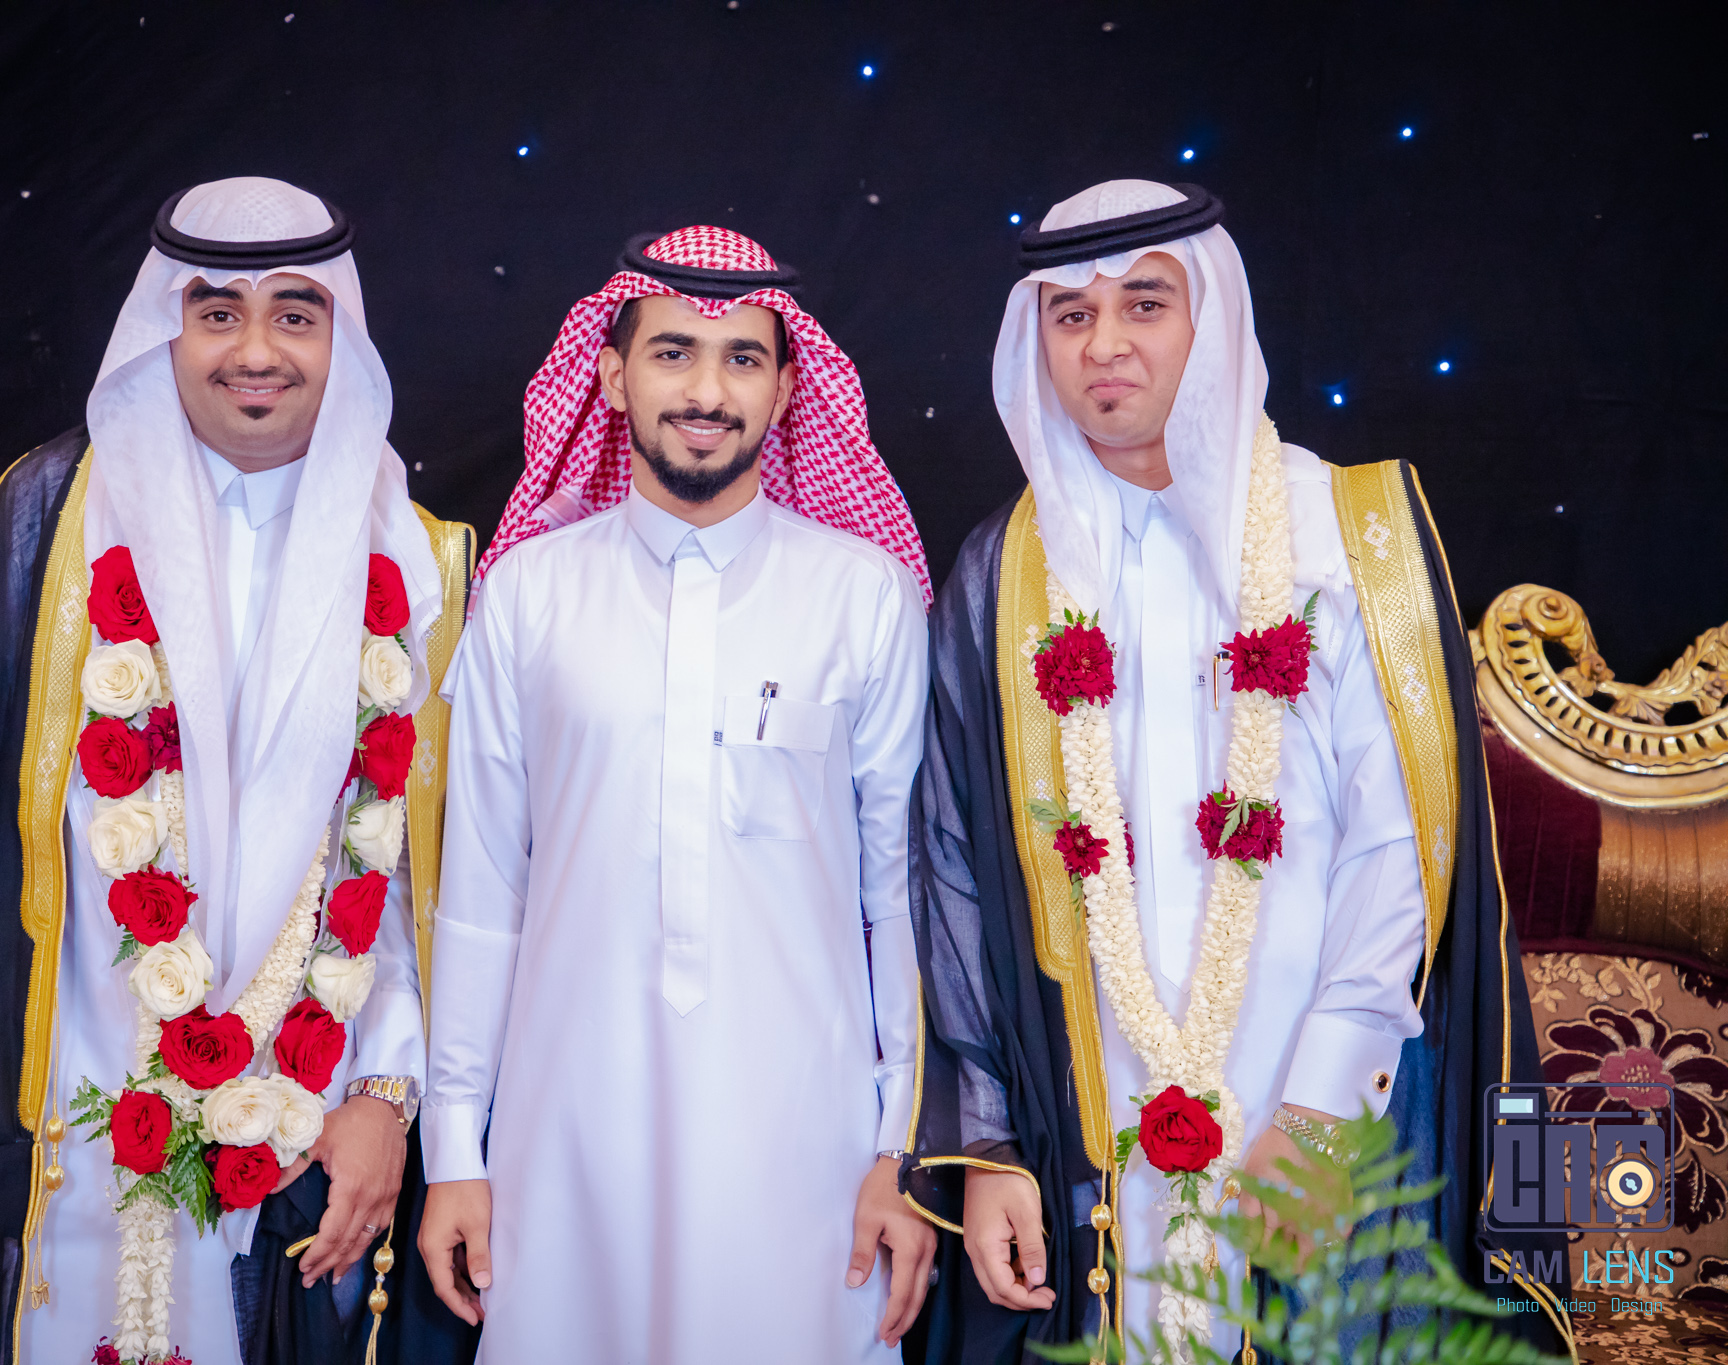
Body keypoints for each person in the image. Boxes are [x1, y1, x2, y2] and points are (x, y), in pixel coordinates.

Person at [0, 177, 479, 1365]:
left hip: (309, 1123)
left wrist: (384, 1093)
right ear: (163, 328)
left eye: (295, 315)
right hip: (67, 1099)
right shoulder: (52, 524)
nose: (255, 352)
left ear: (342, 338)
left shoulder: (418, 560)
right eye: (216, 313)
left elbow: (424, 878)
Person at [906, 181, 1564, 1360]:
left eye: (1142, 303)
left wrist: (1319, 1115)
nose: (1103, 345)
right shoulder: (1003, 575)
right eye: (1068, 314)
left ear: (1208, 314)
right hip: (1082, 1128)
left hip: (1318, 1098)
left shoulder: (1346, 535)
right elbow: (951, 871)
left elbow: (1401, 848)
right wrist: (992, 1146)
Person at [416, 226, 938, 1363]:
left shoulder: (865, 597)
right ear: (611, 377)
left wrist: (900, 1150)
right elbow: (481, 891)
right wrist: (453, 1147)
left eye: (743, 358)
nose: (707, 391)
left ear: (786, 387)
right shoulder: (528, 595)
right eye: (672, 353)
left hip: (807, 1144)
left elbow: (899, 898)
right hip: (566, 1136)